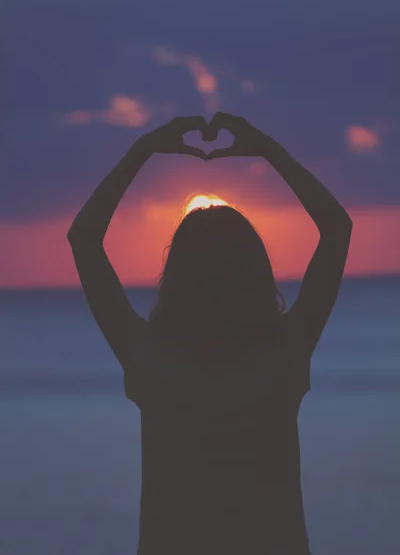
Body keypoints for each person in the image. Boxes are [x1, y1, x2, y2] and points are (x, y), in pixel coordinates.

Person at [67, 112, 353, 555]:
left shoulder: (149, 359)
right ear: (257, 272)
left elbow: (83, 238)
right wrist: (267, 148)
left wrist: (144, 147)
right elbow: (337, 228)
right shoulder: (285, 353)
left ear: (176, 275)